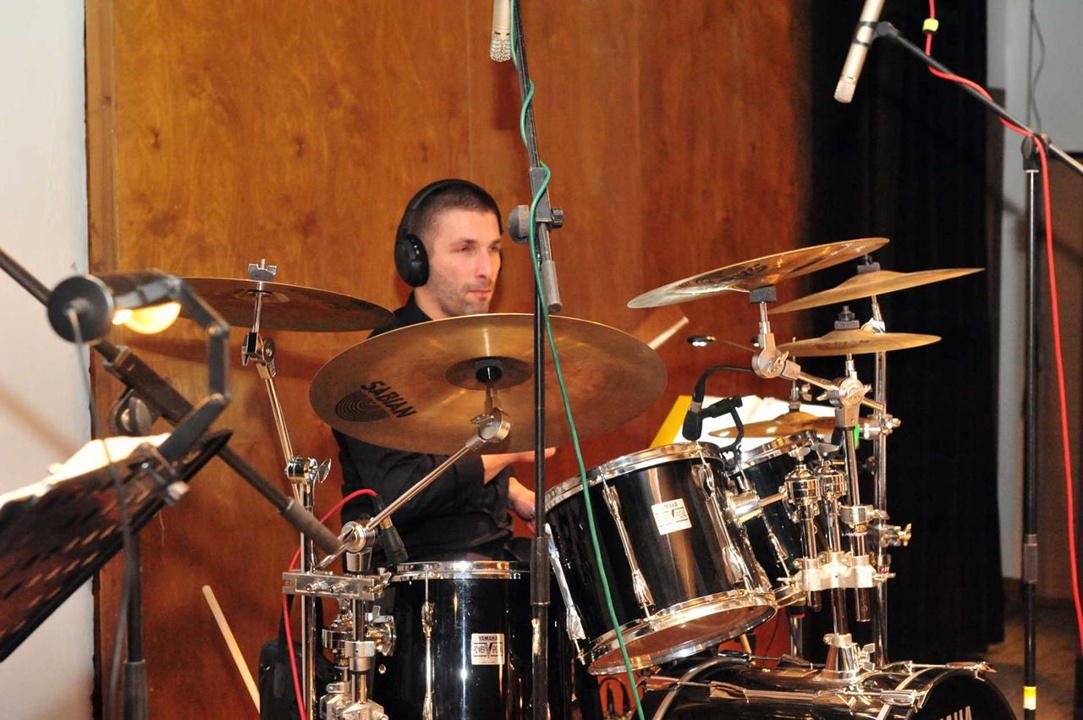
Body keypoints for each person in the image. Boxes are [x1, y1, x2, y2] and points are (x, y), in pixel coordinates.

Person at [334, 178, 541, 563]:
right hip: (415, 577)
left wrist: (513, 493)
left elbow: (445, 450)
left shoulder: (479, 351)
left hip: (493, 558)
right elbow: (399, 492)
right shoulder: (378, 362)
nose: (486, 269)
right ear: (415, 260)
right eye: (465, 249)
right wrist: (508, 452)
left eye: (494, 249)